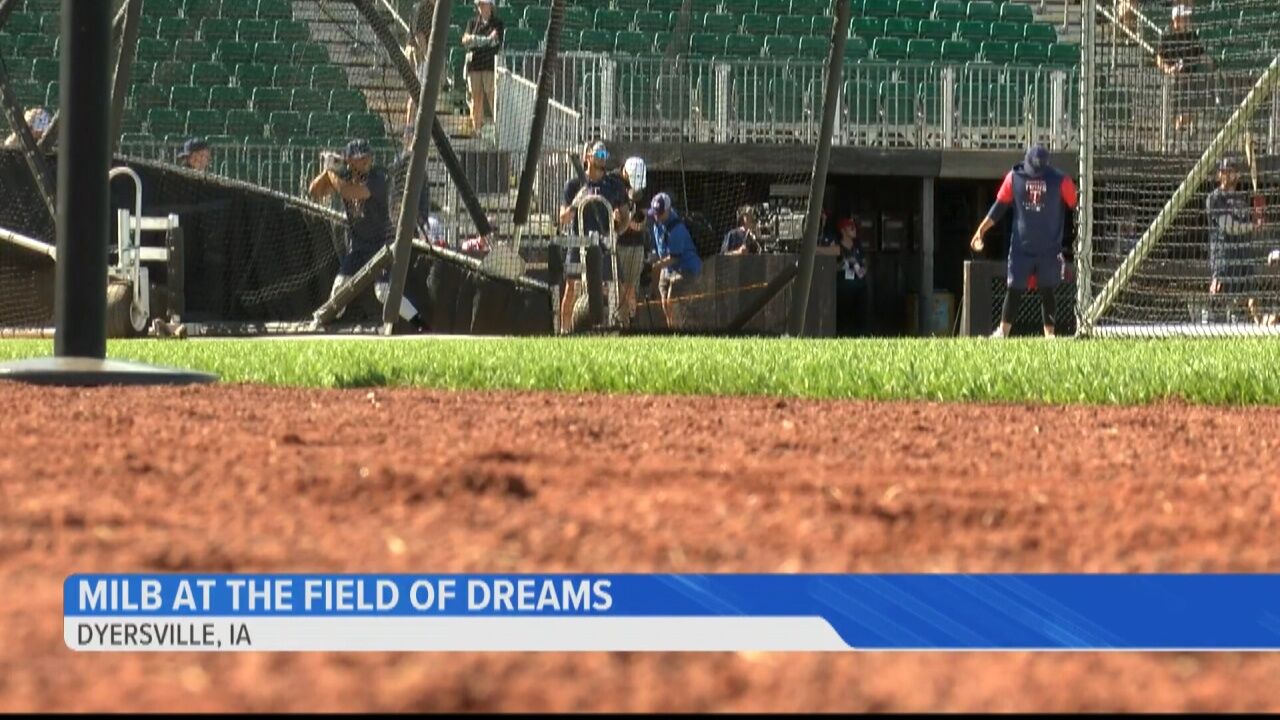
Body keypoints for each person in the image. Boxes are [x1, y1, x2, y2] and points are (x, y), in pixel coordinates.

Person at [309, 139, 428, 331]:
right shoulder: (344, 176)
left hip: (382, 246)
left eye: (367, 157)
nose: (365, 162)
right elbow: (314, 191)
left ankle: (419, 323)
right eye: (359, 159)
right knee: (340, 287)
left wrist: (332, 173)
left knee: (383, 291)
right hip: (358, 248)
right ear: (350, 161)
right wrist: (326, 169)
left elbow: (350, 193)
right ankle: (322, 322)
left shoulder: (378, 177)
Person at [970, 144, 1078, 338]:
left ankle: (1050, 335)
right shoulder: (1014, 177)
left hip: (1049, 249)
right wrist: (981, 230)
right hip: (1022, 247)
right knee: (1014, 289)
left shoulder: (1061, 180)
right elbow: (1000, 206)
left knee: (1048, 290)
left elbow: (1074, 202)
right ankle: (1002, 333)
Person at [558, 140, 629, 331]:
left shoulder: (613, 185)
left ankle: (620, 326)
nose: (601, 159)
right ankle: (564, 330)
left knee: (615, 285)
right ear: (587, 157)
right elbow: (563, 218)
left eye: (604, 156)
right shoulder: (573, 185)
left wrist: (616, 232)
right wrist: (576, 202)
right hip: (578, 241)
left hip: (604, 242)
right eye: (598, 155)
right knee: (571, 288)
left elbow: (625, 218)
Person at [1206, 157, 1263, 322]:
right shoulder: (1214, 198)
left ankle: (1258, 327)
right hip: (1223, 256)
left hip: (1243, 255)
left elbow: (1248, 225)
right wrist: (1253, 226)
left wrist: (1258, 217)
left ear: (1237, 175)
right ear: (1218, 175)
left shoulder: (1242, 200)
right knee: (1218, 295)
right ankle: (1210, 327)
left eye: (1231, 171)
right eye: (1224, 171)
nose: (1227, 175)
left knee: (1251, 294)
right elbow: (1229, 226)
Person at [649, 192, 701, 331]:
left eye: (659, 213)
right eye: (655, 213)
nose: (656, 217)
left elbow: (675, 257)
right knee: (665, 304)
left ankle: (681, 332)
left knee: (672, 302)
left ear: (668, 210)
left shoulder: (677, 229)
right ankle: (672, 331)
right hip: (667, 268)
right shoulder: (656, 225)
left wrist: (656, 266)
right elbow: (659, 250)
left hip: (684, 267)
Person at [1156, 4, 1208, 143]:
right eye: (1185, 18)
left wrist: (1213, 63)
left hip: (1190, 78)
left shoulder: (1191, 35)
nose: (1188, 20)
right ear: (1176, 20)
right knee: (1175, 107)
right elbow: (1159, 59)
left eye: (1188, 18)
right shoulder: (1167, 35)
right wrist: (1168, 69)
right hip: (1174, 78)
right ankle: (1174, 128)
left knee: (1194, 107)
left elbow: (1202, 54)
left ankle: (1184, 122)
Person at [612, 156, 649, 327]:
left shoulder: (641, 182)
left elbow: (642, 219)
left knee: (632, 286)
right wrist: (622, 222)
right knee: (618, 286)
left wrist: (634, 223)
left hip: (636, 245)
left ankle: (629, 323)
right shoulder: (612, 182)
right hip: (617, 244)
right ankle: (619, 320)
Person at [461, 0, 504, 139]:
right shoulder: (472, 22)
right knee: (475, 98)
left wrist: (474, 40)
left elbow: (495, 42)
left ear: (490, 6)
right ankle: (477, 130)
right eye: (479, 4)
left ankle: (500, 132)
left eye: (483, 4)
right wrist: (484, 40)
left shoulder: (497, 23)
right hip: (474, 66)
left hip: (489, 66)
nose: (480, 7)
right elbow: (465, 40)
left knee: (492, 97)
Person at [827, 217, 869, 336]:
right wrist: (843, 264)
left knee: (861, 317)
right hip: (843, 289)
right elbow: (831, 268)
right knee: (843, 319)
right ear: (843, 230)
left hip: (860, 287)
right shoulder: (837, 247)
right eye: (851, 227)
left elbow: (864, 262)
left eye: (854, 227)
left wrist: (863, 269)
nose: (854, 229)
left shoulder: (858, 245)